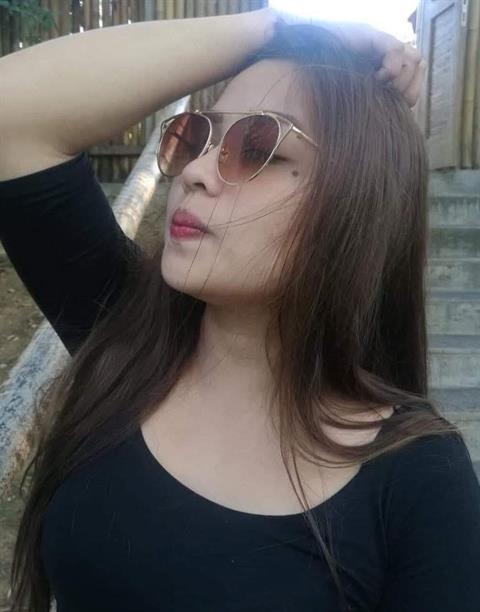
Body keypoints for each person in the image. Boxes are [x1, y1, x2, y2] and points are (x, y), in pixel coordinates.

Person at [0, 7, 479, 612]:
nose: (196, 172)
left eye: (258, 148)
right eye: (196, 137)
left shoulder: (418, 479)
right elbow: (11, 111)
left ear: (355, 202)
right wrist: (274, 29)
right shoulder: (125, 337)